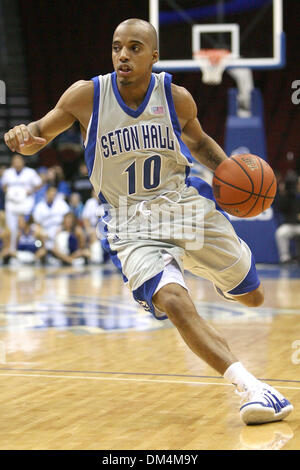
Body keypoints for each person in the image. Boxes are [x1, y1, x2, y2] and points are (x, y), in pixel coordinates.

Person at [3, 18, 293, 425]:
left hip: (185, 209)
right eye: (117, 46)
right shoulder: (87, 96)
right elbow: (38, 133)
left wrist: (230, 170)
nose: (123, 54)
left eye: (135, 47)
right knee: (175, 301)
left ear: (154, 56)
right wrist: (22, 136)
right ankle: (252, 388)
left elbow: (199, 141)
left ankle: (204, 265)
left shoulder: (176, 98)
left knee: (254, 298)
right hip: (129, 224)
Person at [1, 154, 42, 250]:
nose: (17, 163)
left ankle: (26, 249)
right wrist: (8, 192)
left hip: (25, 202)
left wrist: (31, 191)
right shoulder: (8, 173)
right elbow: (3, 185)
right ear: (12, 163)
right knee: (11, 228)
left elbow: (39, 183)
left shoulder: (30, 172)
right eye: (15, 161)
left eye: (19, 161)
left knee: (25, 227)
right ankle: (11, 250)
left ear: (23, 162)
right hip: (11, 203)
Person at [32, 185, 70, 254]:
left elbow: (68, 217)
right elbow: (37, 223)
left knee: (62, 238)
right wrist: (41, 231)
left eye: (54, 194)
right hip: (45, 230)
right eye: (51, 194)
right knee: (36, 232)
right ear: (46, 194)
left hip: (59, 229)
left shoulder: (61, 204)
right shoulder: (40, 206)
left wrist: (62, 227)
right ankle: (44, 255)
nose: (52, 196)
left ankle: (60, 256)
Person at [274, 175, 300, 263]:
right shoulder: (287, 196)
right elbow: (280, 207)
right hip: (289, 225)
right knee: (280, 233)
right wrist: (282, 193)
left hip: (299, 225)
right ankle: (285, 258)